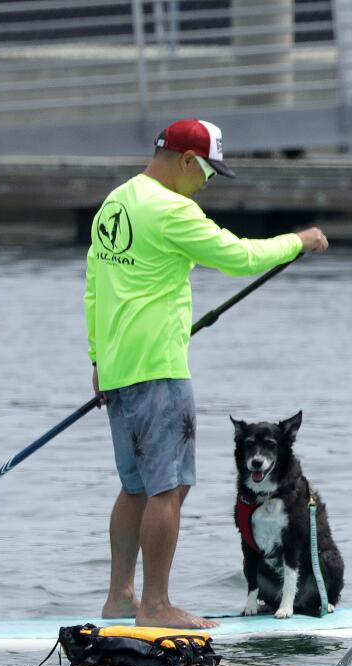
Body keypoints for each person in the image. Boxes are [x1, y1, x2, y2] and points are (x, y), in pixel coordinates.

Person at [85, 118, 329, 628]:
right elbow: (238, 257)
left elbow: (95, 285)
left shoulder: (116, 202)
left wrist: (97, 359)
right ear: (186, 161)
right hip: (158, 369)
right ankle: (155, 606)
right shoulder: (172, 210)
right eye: (209, 173)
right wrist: (297, 241)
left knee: (134, 488)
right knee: (168, 490)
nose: (209, 183)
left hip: (117, 369)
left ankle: (118, 598)